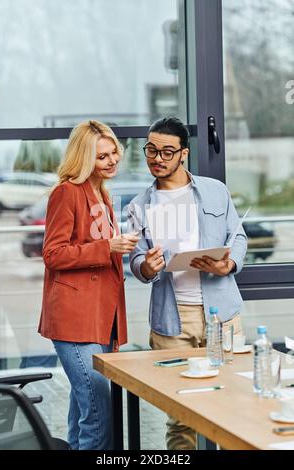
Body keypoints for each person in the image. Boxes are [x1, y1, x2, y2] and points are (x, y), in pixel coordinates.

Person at [128, 117, 247, 450]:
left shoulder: (214, 190)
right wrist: (147, 267)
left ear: (184, 154)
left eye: (167, 151)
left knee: (233, 405)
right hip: (172, 320)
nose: (158, 158)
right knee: (180, 414)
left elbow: (237, 235)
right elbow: (136, 260)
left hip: (222, 314)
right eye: (151, 150)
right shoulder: (139, 205)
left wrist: (229, 263)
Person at [38, 120, 138, 450]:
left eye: (114, 154)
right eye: (101, 157)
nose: (111, 162)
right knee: (97, 414)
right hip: (75, 319)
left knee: (84, 409)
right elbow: (53, 254)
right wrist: (107, 247)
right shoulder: (67, 192)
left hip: (100, 316)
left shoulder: (102, 194)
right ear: (83, 158)